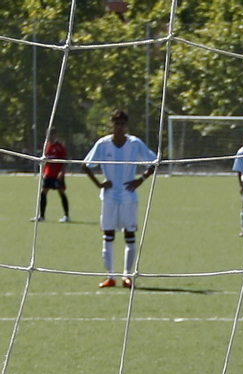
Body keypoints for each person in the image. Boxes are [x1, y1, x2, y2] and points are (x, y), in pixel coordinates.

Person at [83, 108, 158, 289]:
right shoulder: (103, 144)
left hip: (128, 197)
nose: (119, 127)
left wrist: (141, 179)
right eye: (116, 124)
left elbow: (154, 162)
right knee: (108, 235)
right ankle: (110, 276)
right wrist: (99, 183)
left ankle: (127, 275)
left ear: (126, 126)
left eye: (122, 124)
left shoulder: (134, 143)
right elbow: (86, 165)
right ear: (111, 124)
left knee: (129, 235)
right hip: (109, 197)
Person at [36, 130, 70, 223]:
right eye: (47, 135)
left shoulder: (59, 146)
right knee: (43, 192)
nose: (49, 137)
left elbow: (65, 160)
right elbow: (45, 160)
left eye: (51, 135)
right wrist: (43, 172)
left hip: (57, 175)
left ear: (54, 135)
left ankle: (66, 216)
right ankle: (42, 216)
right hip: (49, 174)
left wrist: (62, 172)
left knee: (61, 192)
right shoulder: (46, 146)